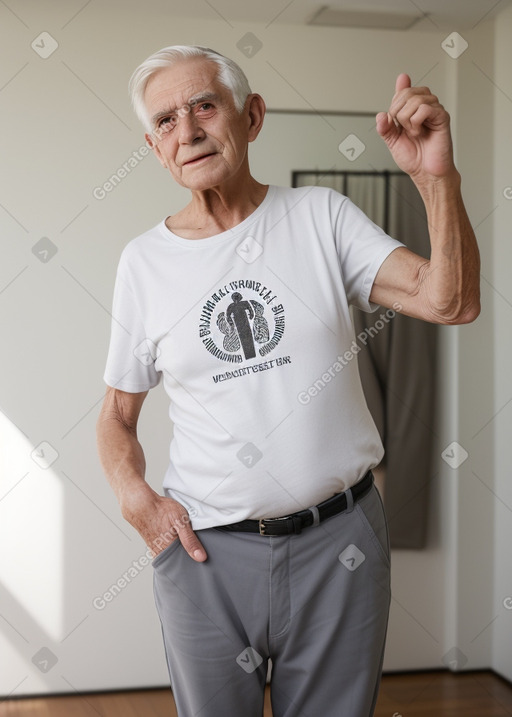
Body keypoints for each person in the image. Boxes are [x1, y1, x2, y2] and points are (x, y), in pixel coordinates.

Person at [96, 45, 480, 717]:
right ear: (155, 147)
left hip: (343, 544)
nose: (186, 131)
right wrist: (138, 501)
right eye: (165, 121)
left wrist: (435, 178)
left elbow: (452, 301)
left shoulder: (320, 217)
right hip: (205, 556)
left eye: (204, 106)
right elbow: (116, 415)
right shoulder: (143, 263)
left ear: (252, 115)